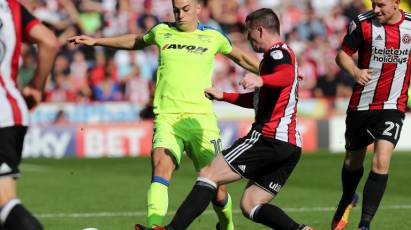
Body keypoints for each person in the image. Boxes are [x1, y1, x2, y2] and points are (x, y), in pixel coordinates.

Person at [69, 0, 259, 229]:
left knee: (218, 189)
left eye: (186, 9)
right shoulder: (162, 31)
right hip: (167, 116)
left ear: (198, 8)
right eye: (176, 10)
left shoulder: (214, 37)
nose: (180, 15)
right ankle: (156, 226)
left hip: (201, 120)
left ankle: (227, 225)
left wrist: (280, 73)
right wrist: (97, 41)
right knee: (160, 164)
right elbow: (136, 40)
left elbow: (241, 58)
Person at [136, 8, 314, 230]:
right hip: (290, 146)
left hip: (268, 138)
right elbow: (258, 100)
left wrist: (262, 80)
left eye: (249, 34)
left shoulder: (278, 53)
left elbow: (286, 76)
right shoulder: (277, 58)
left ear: (260, 30)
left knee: (208, 174)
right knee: (251, 204)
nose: (248, 39)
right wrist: (224, 96)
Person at [331, 0, 411, 230]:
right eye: (374, 4)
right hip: (361, 105)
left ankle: (364, 225)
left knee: (381, 161)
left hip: (392, 105)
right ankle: (347, 198)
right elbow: (342, 55)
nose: (375, 9)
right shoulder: (363, 24)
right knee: (352, 161)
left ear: (396, 4)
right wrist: (354, 71)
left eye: (381, 5)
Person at [0, 0, 58, 230]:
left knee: (4, 202)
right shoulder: (10, 7)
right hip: (9, 109)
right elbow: (49, 42)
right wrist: (37, 87)